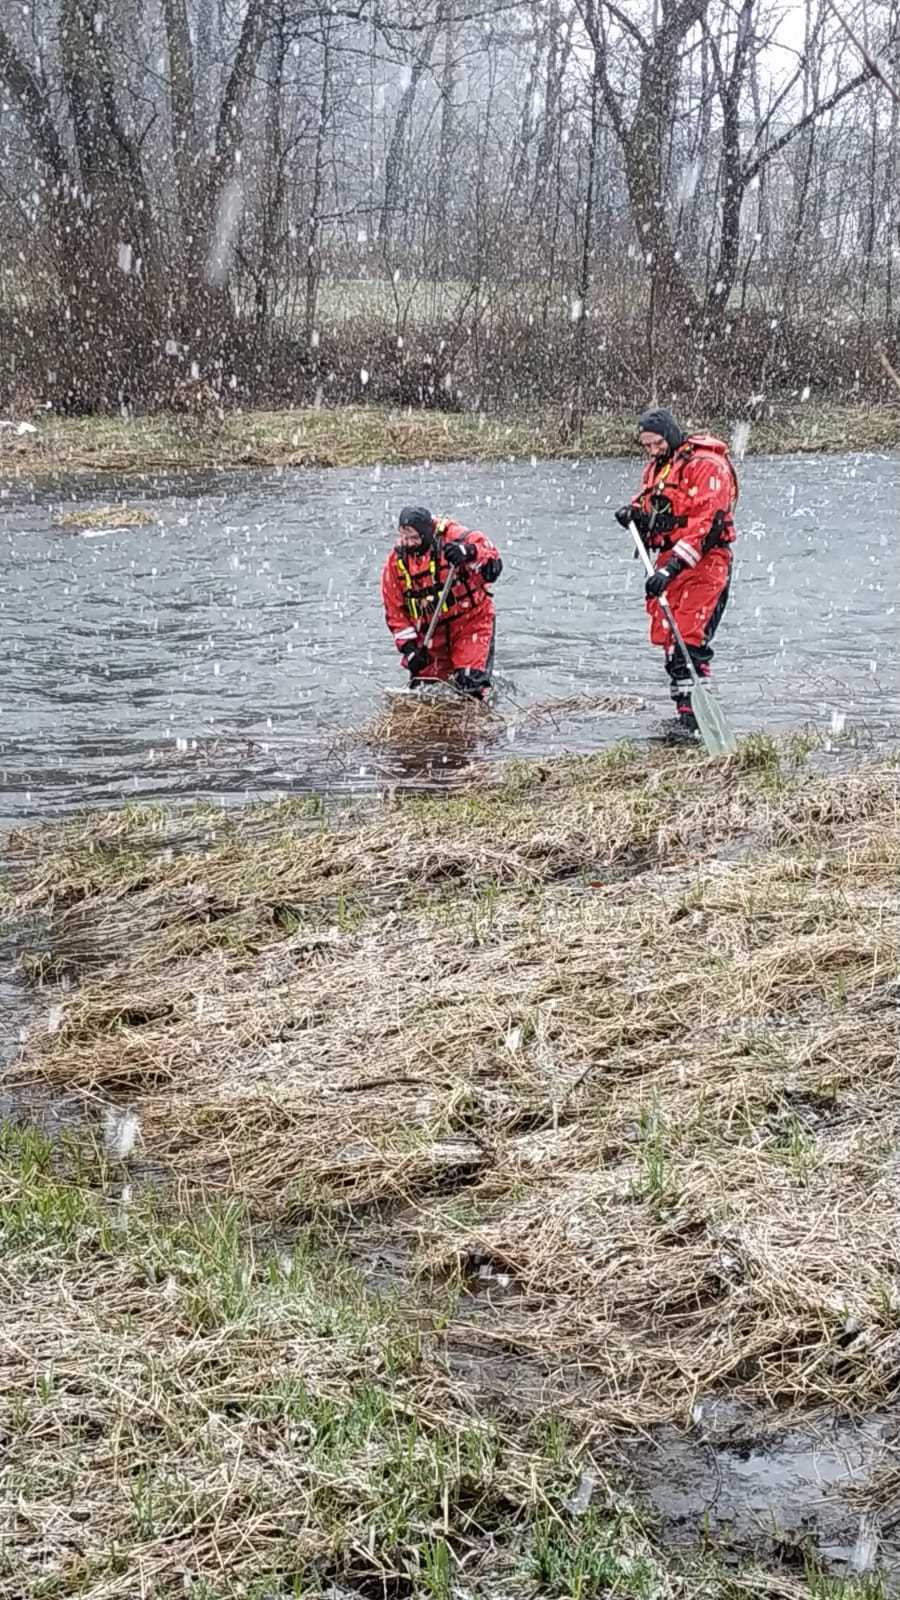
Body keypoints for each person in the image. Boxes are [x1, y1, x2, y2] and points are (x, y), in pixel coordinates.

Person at [615, 407, 738, 742]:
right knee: (673, 641)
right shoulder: (660, 468)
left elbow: (706, 525)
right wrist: (635, 515)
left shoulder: (707, 466)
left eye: (655, 444)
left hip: (706, 563)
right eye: (646, 446)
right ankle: (686, 713)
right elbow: (656, 507)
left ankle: (699, 717)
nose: (651, 451)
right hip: (674, 561)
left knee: (689, 639)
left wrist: (671, 568)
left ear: (669, 436)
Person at [381, 506, 502, 698]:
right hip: (430, 636)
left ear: (427, 532)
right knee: (425, 694)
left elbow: (493, 566)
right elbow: (395, 612)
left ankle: (476, 723)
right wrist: (410, 648)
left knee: (471, 687)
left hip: (470, 624)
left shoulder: (457, 538)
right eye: (405, 537)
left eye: (414, 538)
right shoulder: (396, 564)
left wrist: (469, 553)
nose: (409, 544)